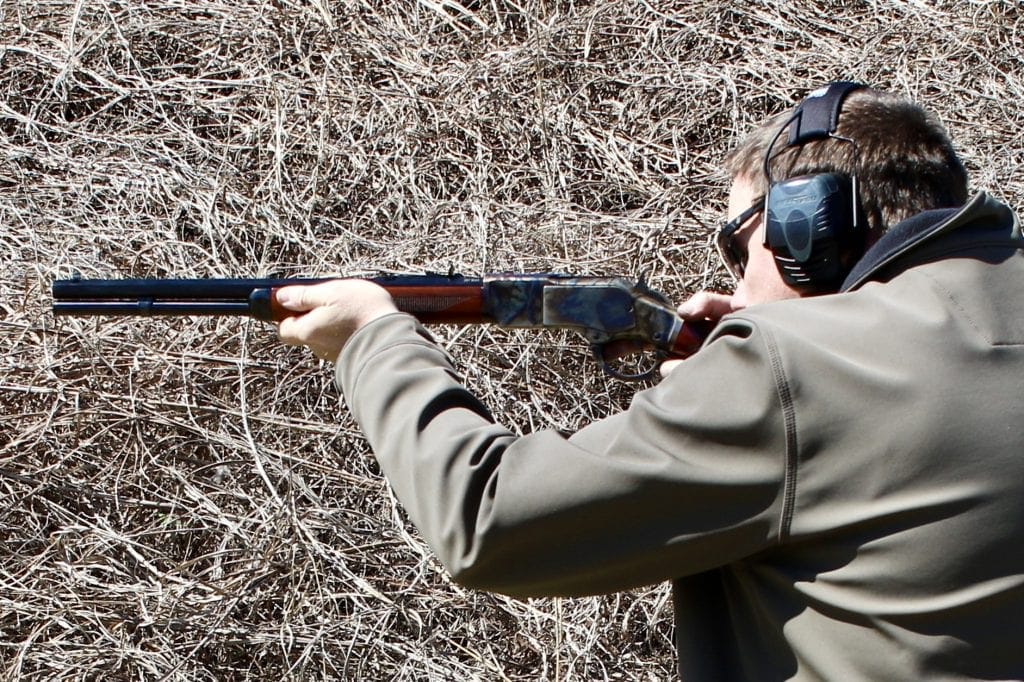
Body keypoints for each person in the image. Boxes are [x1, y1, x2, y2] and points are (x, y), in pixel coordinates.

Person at [276, 83, 1024, 679]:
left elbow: (487, 523)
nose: (731, 281)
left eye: (739, 246)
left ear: (808, 227)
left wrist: (372, 339)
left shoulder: (789, 366)